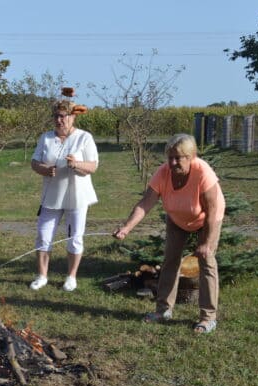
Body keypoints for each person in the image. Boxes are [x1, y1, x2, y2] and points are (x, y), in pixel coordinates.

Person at [113, 133, 226, 334]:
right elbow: (145, 203)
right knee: (170, 261)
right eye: (170, 157)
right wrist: (127, 227)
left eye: (178, 158)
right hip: (177, 218)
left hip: (207, 218)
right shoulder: (163, 173)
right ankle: (163, 310)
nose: (172, 163)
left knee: (207, 260)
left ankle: (208, 318)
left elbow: (212, 210)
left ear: (191, 157)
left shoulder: (203, 173)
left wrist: (206, 242)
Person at [29, 98, 99, 292]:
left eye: (63, 116)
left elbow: (93, 166)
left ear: (73, 116)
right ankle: (42, 276)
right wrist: (44, 169)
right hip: (51, 196)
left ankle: (71, 277)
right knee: (43, 235)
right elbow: (34, 162)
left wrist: (76, 164)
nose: (59, 120)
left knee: (75, 237)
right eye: (56, 116)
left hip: (77, 196)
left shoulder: (84, 137)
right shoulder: (46, 138)